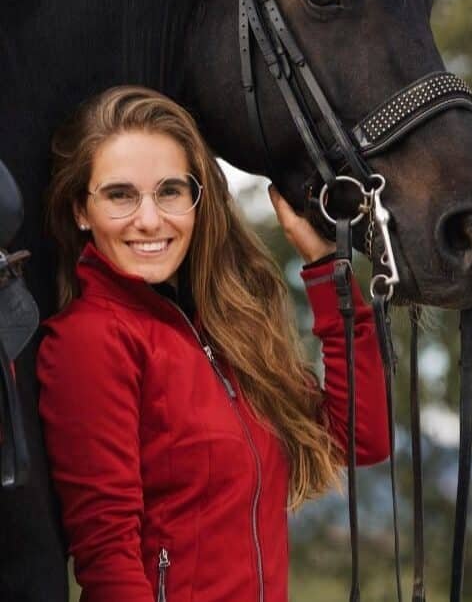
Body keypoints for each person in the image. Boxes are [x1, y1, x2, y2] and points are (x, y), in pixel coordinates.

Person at [36, 85, 390, 601]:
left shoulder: (224, 330)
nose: (149, 219)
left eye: (170, 192)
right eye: (120, 195)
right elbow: (107, 557)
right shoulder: (90, 340)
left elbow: (361, 436)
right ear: (80, 211)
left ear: (197, 201)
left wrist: (325, 268)